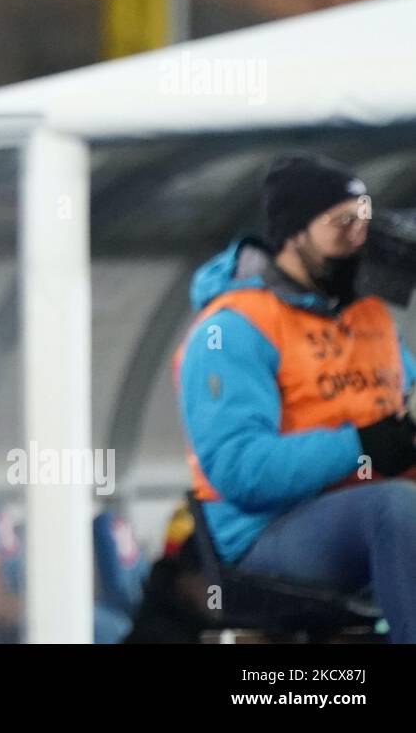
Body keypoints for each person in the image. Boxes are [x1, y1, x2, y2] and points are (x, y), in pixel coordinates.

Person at [174, 152, 416, 641]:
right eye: (341, 223)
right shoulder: (233, 329)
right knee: (392, 509)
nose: (358, 237)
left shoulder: (368, 317)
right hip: (269, 536)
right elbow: (242, 470)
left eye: (363, 221)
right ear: (293, 234)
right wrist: (363, 446)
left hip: (365, 511)